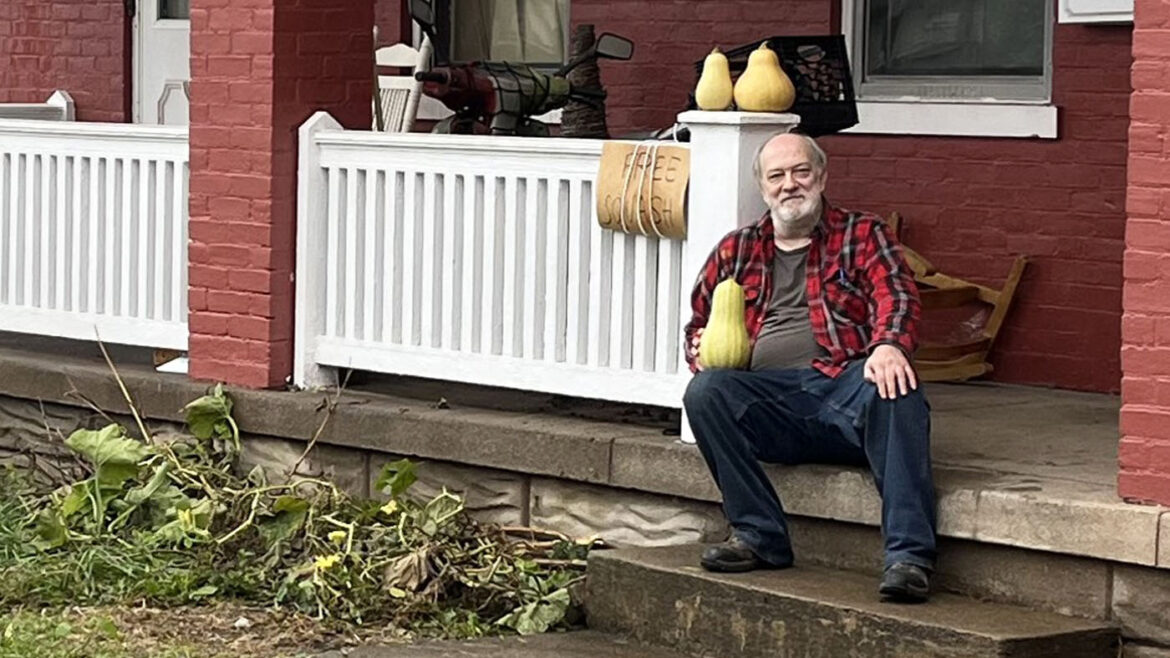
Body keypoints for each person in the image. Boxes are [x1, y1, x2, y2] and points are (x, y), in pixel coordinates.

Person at [682, 132, 937, 603]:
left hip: (844, 390)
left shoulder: (862, 234)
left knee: (897, 386)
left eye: (800, 172)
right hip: (772, 404)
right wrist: (700, 349)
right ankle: (759, 537)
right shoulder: (736, 251)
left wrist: (888, 346)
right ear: (762, 187)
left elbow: (896, 295)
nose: (789, 185)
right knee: (706, 392)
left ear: (820, 177)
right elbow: (698, 323)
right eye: (776, 176)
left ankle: (909, 557)